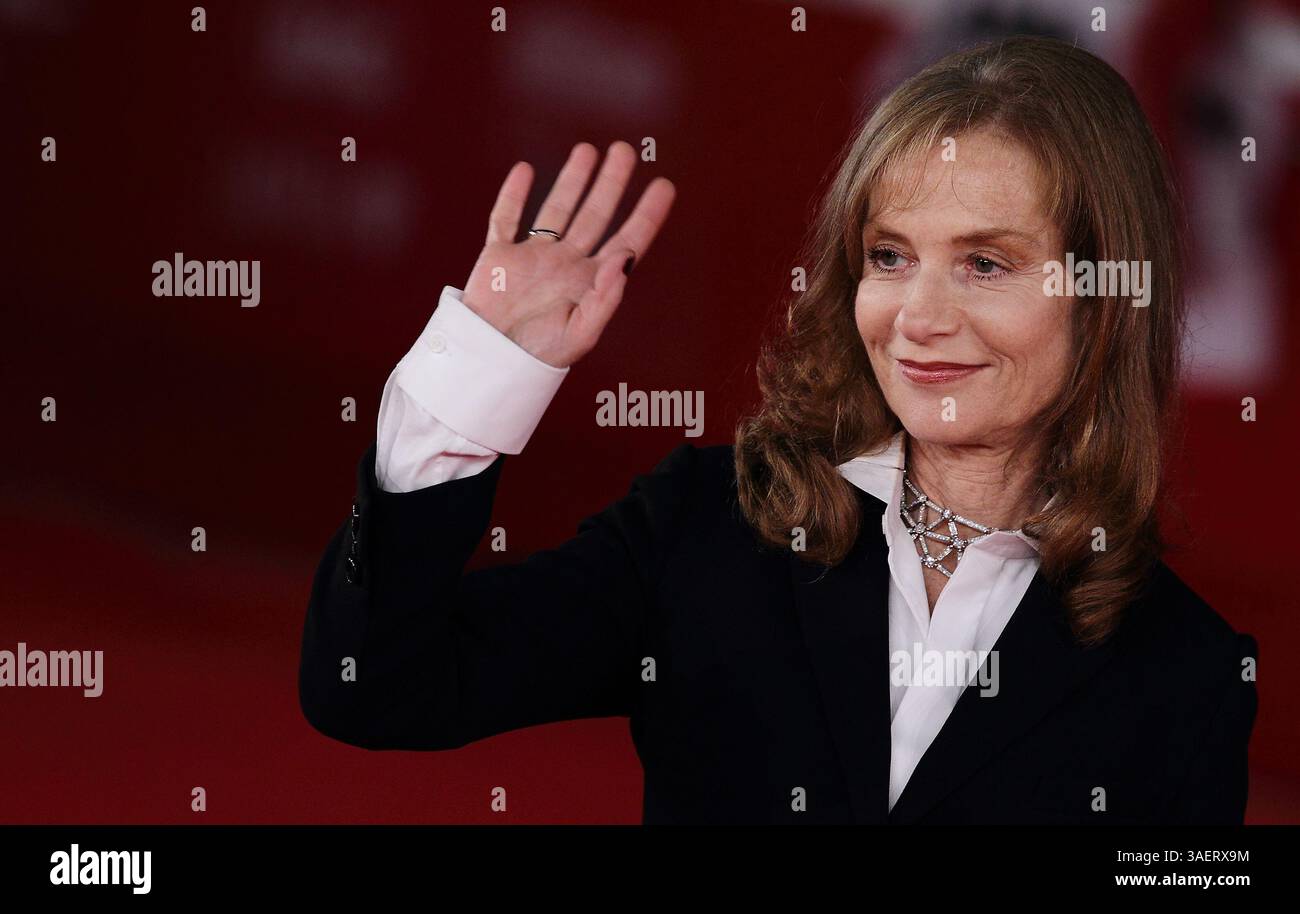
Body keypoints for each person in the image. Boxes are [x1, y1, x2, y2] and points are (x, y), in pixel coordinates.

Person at [299, 35, 1258, 824]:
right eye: (890, 256)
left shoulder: (1187, 675)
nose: (917, 316)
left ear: (1101, 301)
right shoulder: (705, 529)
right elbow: (375, 685)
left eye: (986, 265)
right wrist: (474, 377)